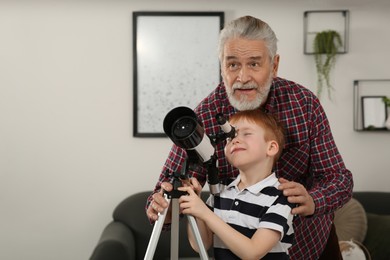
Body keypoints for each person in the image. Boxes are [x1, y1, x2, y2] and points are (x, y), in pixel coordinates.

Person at [146, 15, 353, 259]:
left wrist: (313, 201)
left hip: (309, 246)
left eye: (254, 64)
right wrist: (164, 206)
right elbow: (164, 191)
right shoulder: (205, 114)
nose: (242, 77)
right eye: (233, 65)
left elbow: (339, 179)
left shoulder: (303, 104)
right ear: (221, 66)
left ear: (274, 65)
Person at [178, 109, 295, 259]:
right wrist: (196, 207)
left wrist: (205, 213)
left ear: (271, 147)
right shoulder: (220, 191)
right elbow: (200, 244)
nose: (235, 139)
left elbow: (252, 252)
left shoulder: (281, 197)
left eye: (246, 133)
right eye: (229, 137)